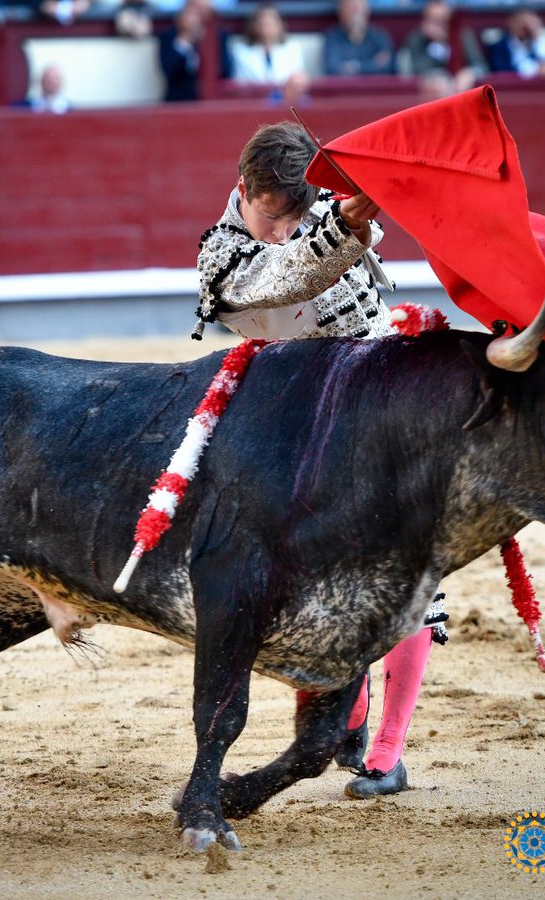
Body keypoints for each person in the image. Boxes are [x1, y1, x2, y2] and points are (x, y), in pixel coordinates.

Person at [194, 122, 449, 798]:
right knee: (295, 589)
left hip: (376, 414)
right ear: (243, 188)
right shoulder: (220, 255)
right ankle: (350, 713)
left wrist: (346, 214)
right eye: (273, 216)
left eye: (297, 216)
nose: (283, 230)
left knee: (404, 583)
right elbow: (285, 274)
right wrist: (341, 229)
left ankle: (386, 749)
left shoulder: (332, 214)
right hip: (285, 431)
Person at [400, 0, 486, 98]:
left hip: (461, 93)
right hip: (429, 97)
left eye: (442, 20)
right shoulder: (416, 39)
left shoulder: (462, 35)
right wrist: (436, 43)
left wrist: (470, 73)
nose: (438, 26)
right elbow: (415, 71)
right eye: (433, 20)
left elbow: (481, 66)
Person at [229, 3, 309, 91]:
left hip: (287, 101)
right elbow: (239, 84)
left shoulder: (293, 49)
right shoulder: (241, 52)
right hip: (252, 100)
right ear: (253, 25)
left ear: (280, 25)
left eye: (271, 22)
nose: (266, 26)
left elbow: (298, 83)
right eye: (262, 22)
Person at [323, 0, 395, 77]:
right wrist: (372, 64)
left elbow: (388, 66)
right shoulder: (333, 38)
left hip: (378, 87)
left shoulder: (378, 36)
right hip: (346, 87)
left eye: (358, 7)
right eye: (350, 8)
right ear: (340, 12)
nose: (355, 12)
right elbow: (333, 69)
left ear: (367, 10)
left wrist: (355, 66)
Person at [486, 7, 545, 78]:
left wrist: (537, 38)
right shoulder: (498, 48)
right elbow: (500, 72)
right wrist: (535, 70)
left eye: (531, 21)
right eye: (520, 21)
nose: (526, 26)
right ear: (510, 23)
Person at [159, 3, 207, 101]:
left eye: (197, 14)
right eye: (190, 14)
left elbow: (224, 69)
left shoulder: (215, 36)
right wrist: (184, 42)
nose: (193, 20)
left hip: (207, 100)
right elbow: (169, 70)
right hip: (177, 100)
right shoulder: (169, 37)